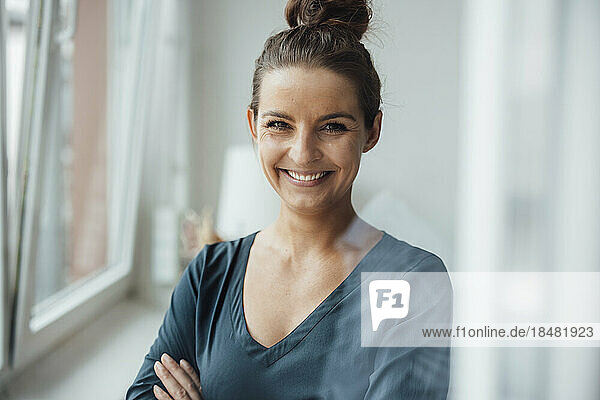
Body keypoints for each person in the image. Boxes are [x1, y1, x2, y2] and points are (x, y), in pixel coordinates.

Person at [126, 0, 452, 399]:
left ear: (371, 131)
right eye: (279, 124)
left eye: (332, 127)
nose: (302, 154)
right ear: (253, 126)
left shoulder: (413, 284)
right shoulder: (209, 274)